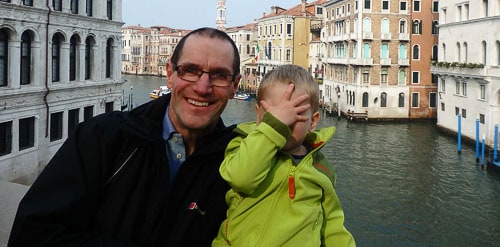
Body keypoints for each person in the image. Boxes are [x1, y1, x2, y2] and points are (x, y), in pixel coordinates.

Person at [9, 27, 244, 246]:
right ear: (170, 74)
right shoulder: (103, 137)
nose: (203, 87)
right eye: (190, 70)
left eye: (219, 75)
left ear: (235, 86)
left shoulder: (241, 167)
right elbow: (31, 233)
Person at [212, 64, 356, 247]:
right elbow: (241, 178)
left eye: (294, 114)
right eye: (274, 114)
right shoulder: (243, 145)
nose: (284, 122)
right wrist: (272, 128)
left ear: (313, 122)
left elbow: (333, 225)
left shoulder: (320, 168)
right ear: (259, 116)